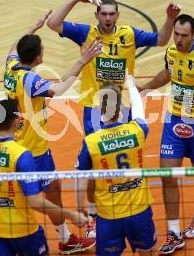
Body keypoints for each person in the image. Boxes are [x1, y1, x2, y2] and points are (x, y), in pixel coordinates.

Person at [47, 0, 181, 237]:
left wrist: (170, 19)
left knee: (126, 155)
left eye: (111, 14)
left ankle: (127, 201)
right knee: (93, 164)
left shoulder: (129, 34)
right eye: (104, 14)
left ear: (117, 16)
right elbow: (53, 23)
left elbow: (162, 40)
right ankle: (94, 214)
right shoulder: (85, 33)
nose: (108, 18)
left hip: (124, 107)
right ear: (97, 15)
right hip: (95, 108)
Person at [4, 11, 101, 254]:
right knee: (36, 197)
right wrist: (83, 61)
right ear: (38, 58)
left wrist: (32, 28)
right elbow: (58, 89)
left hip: (24, 144)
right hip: (32, 150)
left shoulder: (10, 69)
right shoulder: (30, 81)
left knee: (53, 188)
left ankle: (66, 238)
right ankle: (35, 238)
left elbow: (11, 49)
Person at [137, 14, 194, 254]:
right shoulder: (171, 52)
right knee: (167, 174)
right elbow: (168, 74)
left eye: (183, 35)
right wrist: (146, 87)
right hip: (173, 121)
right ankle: (174, 233)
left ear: (193, 35)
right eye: (176, 34)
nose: (177, 39)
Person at [0, 98, 88, 256]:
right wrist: (71, 214)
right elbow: (35, 201)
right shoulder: (21, 154)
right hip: (24, 231)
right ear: (16, 121)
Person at [75, 74, 156, 256]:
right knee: (147, 252)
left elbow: (81, 179)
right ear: (120, 107)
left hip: (108, 215)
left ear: (99, 109)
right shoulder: (137, 131)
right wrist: (131, 86)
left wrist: (80, 207)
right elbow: (138, 110)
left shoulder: (91, 143)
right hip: (139, 209)